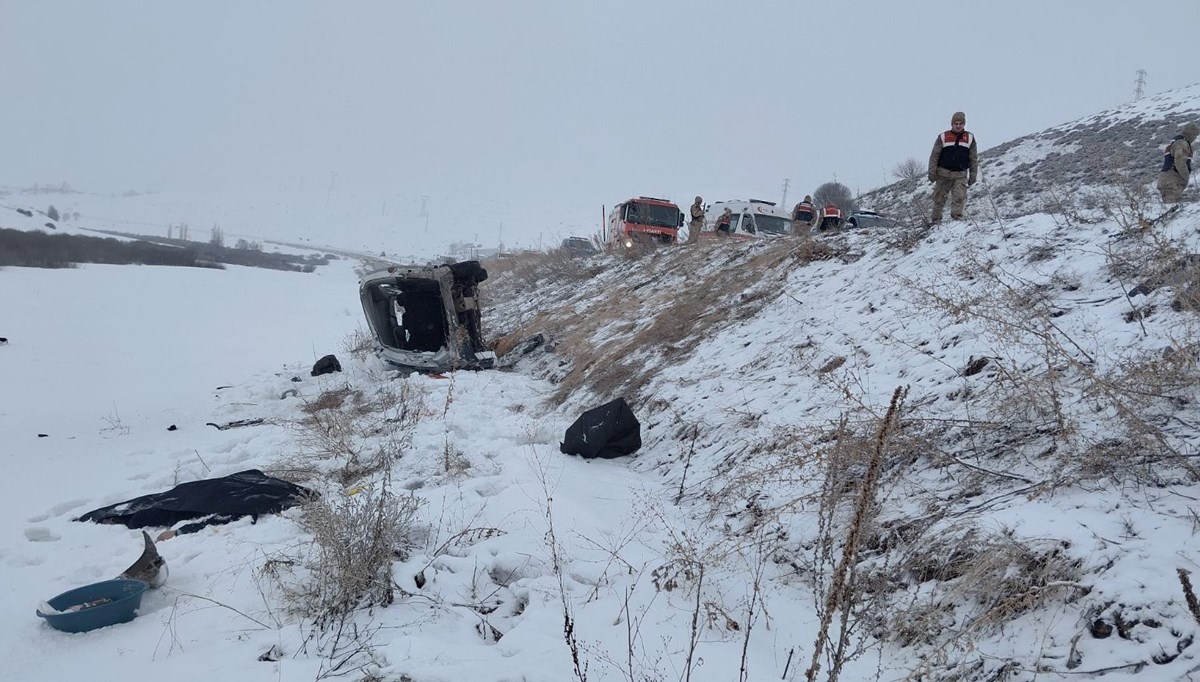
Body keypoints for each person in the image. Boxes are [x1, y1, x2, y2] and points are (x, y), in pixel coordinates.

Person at [927, 111, 979, 223]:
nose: (958, 125)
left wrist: (973, 175)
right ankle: (936, 221)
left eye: (961, 123)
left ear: (964, 124)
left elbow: (973, 158)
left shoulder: (970, 137)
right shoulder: (943, 136)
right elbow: (934, 155)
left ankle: (957, 220)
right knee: (939, 198)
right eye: (956, 123)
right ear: (952, 124)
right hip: (943, 173)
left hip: (960, 174)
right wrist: (932, 171)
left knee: (959, 197)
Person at [1158, 122, 1198, 203]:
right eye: (1195, 135)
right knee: (1173, 208)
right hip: (1172, 181)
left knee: (1170, 207)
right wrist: (1186, 177)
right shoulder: (1181, 143)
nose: (1195, 138)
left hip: (1167, 179)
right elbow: (1179, 161)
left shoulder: (1176, 141)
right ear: (1191, 134)